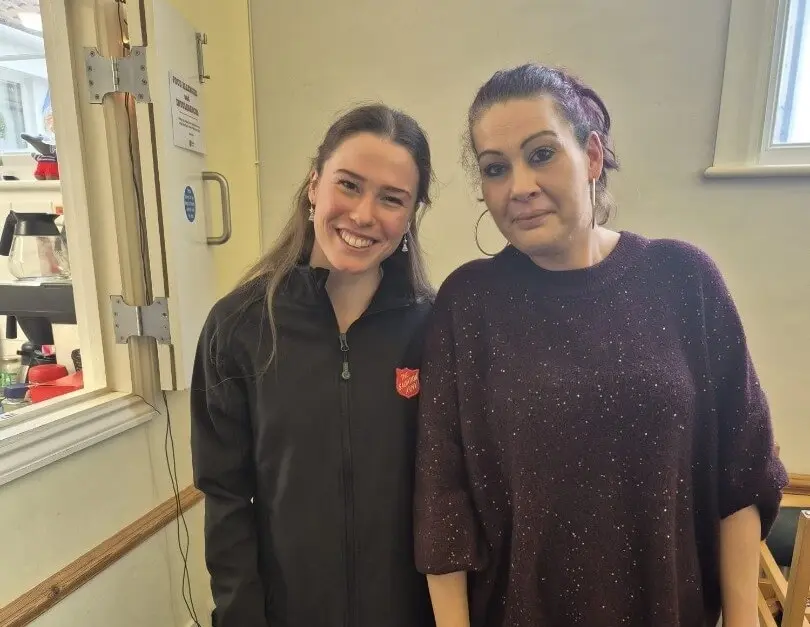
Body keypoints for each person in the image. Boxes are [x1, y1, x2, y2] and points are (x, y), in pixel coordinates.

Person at [413, 64, 789, 627]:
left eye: (541, 153)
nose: (520, 187)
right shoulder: (469, 305)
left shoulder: (684, 279)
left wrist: (742, 621)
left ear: (591, 156)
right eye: (496, 169)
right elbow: (444, 502)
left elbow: (741, 471)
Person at [191, 104, 436, 627]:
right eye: (349, 185)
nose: (365, 215)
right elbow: (226, 497)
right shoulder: (238, 327)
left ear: (411, 214)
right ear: (314, 185)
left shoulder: (434, 332)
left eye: (391, 198)